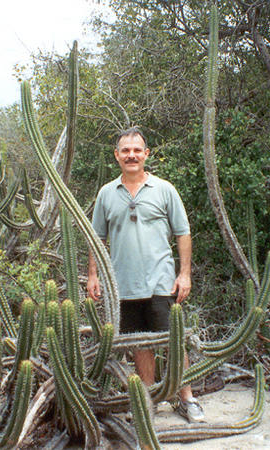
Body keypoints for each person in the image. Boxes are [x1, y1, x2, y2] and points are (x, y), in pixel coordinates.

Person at [87, 127, 204, 422]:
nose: (131, 155)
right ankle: (149, 401)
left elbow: (183, 232)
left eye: (137, 150)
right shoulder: (106, 194)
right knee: (139, 345)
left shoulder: (165, 189)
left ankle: (187, 398)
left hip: (161, 282)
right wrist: (93, 276)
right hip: (123, 285)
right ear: (116, 156)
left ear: (146, 154)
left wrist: (185, 274)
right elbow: (96, 237)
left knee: (173, 340)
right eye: (125, 151)